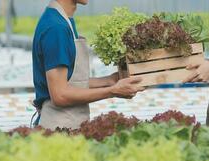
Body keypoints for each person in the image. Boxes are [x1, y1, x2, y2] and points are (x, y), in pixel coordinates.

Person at [32, 0, 144, 129]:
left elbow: (69, 81)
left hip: (68, 123)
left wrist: (108, 81)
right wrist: (112, 91)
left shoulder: (62, 20)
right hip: (58, 128)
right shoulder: (56, 28)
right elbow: (60, 95)